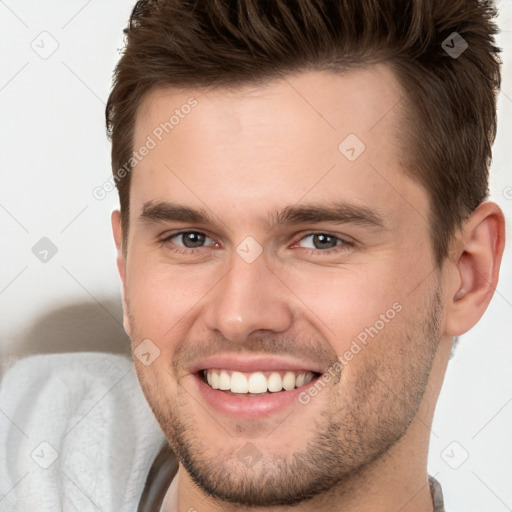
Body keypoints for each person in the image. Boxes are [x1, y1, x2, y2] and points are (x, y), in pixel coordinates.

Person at [0, 1, 506, 511]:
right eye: (190, 239)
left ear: (468, 273)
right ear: (127, 268)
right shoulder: (24, 443)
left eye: (320, 241)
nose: (239, 315)